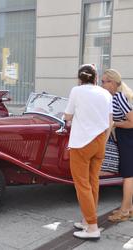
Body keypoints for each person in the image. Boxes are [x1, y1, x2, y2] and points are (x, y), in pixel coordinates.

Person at [64, 64, 113, 240]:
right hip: (100, 141)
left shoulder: (77, 91)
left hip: (81, 143)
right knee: (93, 183)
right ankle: (87, 220)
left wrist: (68, 117)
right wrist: (104, 141)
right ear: (96, 78)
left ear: (79, 78)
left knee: (82, 185)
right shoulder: (105, 93)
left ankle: (92, 227)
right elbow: (110, 121)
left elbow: (68, 116)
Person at [101, 69, 133, 222]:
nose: (102, 84)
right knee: (128, 173)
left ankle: (124, 210)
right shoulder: (113, 97)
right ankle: (130, 208)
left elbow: (132, 122)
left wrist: (114, 124)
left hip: (129, 138)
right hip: (124, 137)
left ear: (113, 83)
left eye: (105, 81)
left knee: (128, 175)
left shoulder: (119, 97)